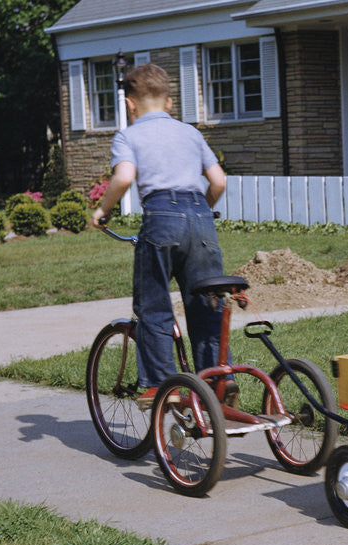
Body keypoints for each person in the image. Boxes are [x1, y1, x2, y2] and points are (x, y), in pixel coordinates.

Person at [90, 62, 236, 407]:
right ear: (170, 102)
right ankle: (218, 380)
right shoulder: (191, 133)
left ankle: (159, 385)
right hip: (201, 217)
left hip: (161, 218)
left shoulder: (129, 135)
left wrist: (102, 210)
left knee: (154, 306)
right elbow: (219, 182)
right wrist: (201, 209)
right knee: (207, 304)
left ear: (130, 104)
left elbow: (124, 178)